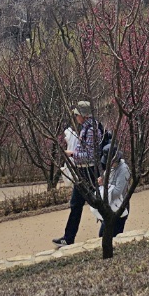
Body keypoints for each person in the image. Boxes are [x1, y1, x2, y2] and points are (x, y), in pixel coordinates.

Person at [52, 101, 100, 247]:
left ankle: (110, 227)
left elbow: (92, 155)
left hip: (88, 171)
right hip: (83, 171)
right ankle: (68, 237)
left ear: (83, 115)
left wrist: (73, 154)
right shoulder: (85, 128)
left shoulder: (91, 130)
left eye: (77, 114)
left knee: (95, 203)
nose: (76, 117)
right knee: (77, 204)